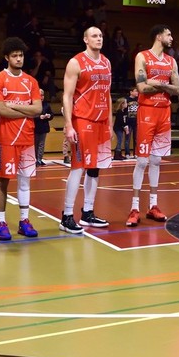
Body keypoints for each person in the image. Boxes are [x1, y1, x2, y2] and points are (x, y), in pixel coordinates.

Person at [127, 25, 179, 227]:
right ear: (159, 36)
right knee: (142, 161)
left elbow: (178, 89)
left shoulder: (171, 61)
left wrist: (157, 83)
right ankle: (134, 208)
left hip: (164, 113)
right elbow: (141, 87)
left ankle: (153, 205)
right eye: (169, 34)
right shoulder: (142, 56)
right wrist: (164, 84)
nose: (171, 37)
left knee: (157, 160)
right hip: (147, 112)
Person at [60, 26, 113, 233]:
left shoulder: (107, 62)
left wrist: (109, 123)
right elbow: (67, 95)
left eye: (100, 35)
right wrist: (68, 124)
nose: (98, 38)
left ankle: (88, 212)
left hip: (101, 121)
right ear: (85, 39)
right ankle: (66, 216)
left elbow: (107, 94)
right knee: (78, 166)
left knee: (95, 167)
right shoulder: (76, 62)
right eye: (94, 36)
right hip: (83, 120)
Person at [0, 37, 43, 240]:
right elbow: (1, 110)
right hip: (7, 138)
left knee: (25, 182)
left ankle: (24, 221)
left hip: (27, 139)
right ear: (7, 57)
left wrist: (14, 106)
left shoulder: (31, 81)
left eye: (21, 55)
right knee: (3, 182)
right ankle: (1, 223)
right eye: (14, 56)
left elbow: (37, 109)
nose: (19, 59)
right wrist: (25, 109)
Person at [34, 89, 53, 166]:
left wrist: (49, 116)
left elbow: (52, 114)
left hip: (43, 127)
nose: (41, 97)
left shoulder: (46, 105)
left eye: (42, 95)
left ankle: (39, 159)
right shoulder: (33, 105)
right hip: (35, 127)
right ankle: (34, 159)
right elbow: (31, 116)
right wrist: (39, 117)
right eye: (40, 95)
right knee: (35, 144)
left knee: (41, 144)